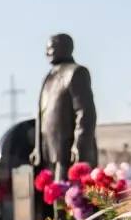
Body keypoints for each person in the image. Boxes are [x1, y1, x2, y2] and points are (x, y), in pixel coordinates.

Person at [35, 32, 97, 183]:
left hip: (69, 154)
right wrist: (37, 148)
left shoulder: (75, 73)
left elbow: (85, 112)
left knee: (69, 200)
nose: (46, 53)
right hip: (49, 152)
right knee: (54, 201)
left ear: (63, 48)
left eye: (51, 48)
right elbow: (41, 115)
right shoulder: (49, 76)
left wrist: (79, 145)